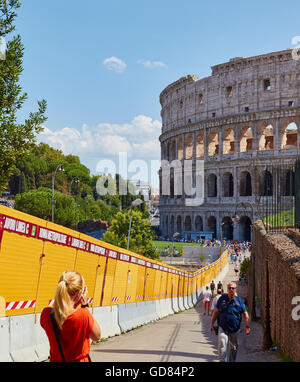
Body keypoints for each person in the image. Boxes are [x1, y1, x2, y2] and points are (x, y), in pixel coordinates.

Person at [40, 271, 101, 362]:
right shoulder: (83, 315)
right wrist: (84, 305)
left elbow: (63, 315)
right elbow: (97, 336)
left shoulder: (46, 314)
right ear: (79, 293)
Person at [210, 282, 250, 362]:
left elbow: (246, 314)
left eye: (233, 288)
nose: (231, 290)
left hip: (235, 329)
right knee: (222, 345)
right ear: (227, 289)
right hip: (223, 327)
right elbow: (216, 312)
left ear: (235, 290)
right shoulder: (222, 299)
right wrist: (212, 324)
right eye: (229, 288)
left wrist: (247, 326)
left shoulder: (239, 301)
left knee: (233, 348)